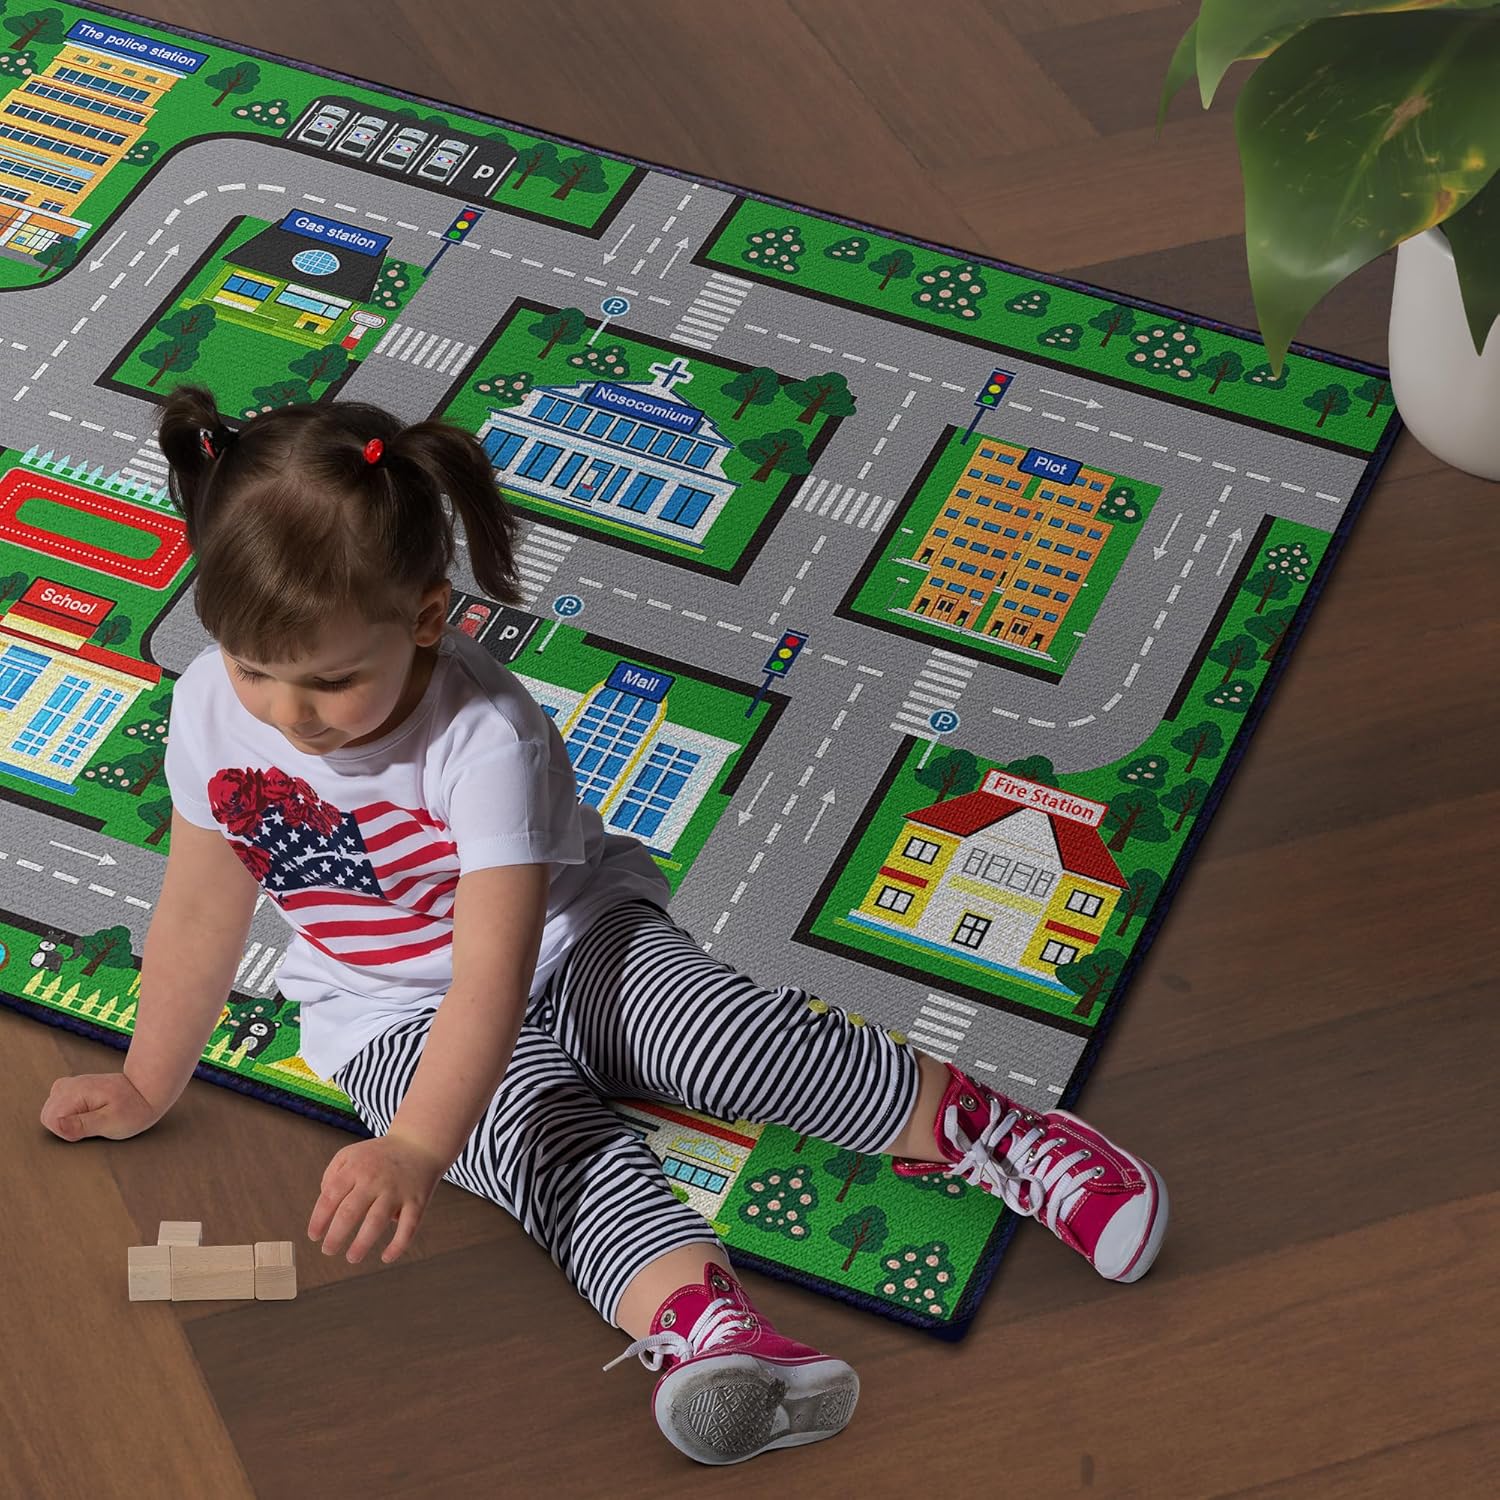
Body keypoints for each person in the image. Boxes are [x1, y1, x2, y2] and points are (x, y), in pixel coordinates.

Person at [39, 385, 1169, 1467]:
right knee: (540, 1141)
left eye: (330, 682)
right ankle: (708, 1331)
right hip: (379, 1012)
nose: (289, 716)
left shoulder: (486, 735)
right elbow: (202, 901)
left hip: (566, 944)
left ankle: (981, 1127)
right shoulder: (213, 707)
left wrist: (417, 1146)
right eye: (254, 670)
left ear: (427, 617)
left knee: (718, 1036)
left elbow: (493, 975)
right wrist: (146, 1081)